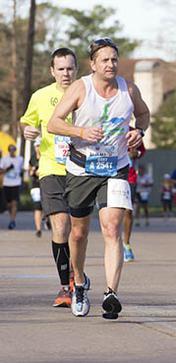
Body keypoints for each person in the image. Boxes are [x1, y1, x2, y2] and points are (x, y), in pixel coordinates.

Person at [47, 38, 150, 319]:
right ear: (93, 64)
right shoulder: (81, 88)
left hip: (115, 167)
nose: (110, 64)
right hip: (82, 168)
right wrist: (81, 133)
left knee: (111, 227)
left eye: (114, 59)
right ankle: (79, 282)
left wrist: (139, 131)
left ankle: (111, 293)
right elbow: (53, 123)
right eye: (104, 60)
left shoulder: (128, 88)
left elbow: (143, 114)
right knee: (78, 233)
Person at [20, 47, 78, 307]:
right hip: (51, 169)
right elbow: (27, 122)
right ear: (52, 71)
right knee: (61, 226)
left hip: (80, 170)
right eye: (61, 69)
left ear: (76, 69)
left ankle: (77, 274)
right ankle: (65, 286)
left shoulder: (85, 93)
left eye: (70, 68)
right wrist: (28, 130)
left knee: (78, 231)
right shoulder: (41, 96)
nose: (66, 73)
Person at [124, 143, 146, 262]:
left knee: (128, 211)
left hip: (129, 178)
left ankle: (126, 245)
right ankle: (114, 244)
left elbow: (142, 151)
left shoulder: (134, 132)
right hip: (110, 175)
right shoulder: (104, 126)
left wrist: (136, 153)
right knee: (112, 214)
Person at [0, 145, 24, 229]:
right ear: (8, 150)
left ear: (15, 150)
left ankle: (12, 220)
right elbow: (1, 171)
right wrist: (8, 168)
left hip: (16, 183)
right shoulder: (4, 159)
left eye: (14, 149)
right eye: (10, 149)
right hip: (7, 184)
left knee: (14, 203)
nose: (12, 151)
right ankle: (11, 217)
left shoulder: (20, 159)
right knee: (8, 204)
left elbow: (21, 170)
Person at [29, 142, 43, 238]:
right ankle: (38, 229)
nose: (38, 148)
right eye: (37, 146)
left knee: (46, 206)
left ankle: (46, 218)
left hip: (46, 184)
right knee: (37, 206)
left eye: (39, 146)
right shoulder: (33, 158)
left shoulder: (46, 157)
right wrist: (33, 170)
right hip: (36, 185)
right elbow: (29, 172)